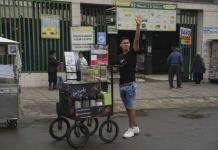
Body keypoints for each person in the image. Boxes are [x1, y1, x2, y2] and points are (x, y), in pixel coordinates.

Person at [117, 16, 142, 138]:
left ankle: (131, 128)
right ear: (121, 45)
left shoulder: (132, 53)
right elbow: (118, 68)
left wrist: (138, 26)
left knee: (131, 107)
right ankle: (135, 126)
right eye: (124, 43)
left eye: (128, 42)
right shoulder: (120, 56)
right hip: (121, 84)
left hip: (130, 85)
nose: (127, 44)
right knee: (127, 107)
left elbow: (136, 41)